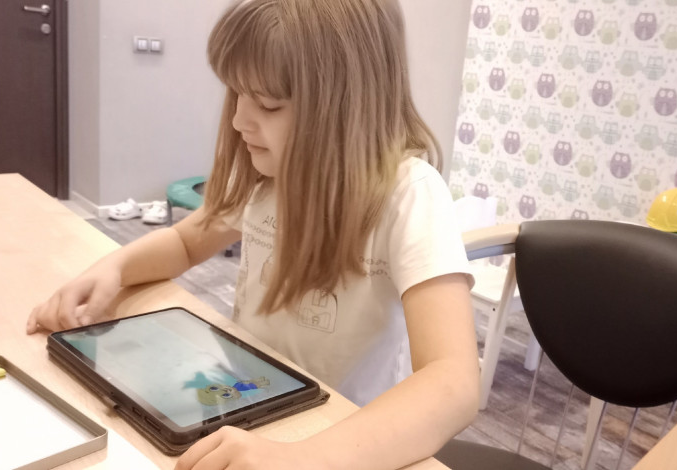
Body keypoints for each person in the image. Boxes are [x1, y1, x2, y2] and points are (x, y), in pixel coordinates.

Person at [27, 0, 480, 468]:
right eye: (237, 94)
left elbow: (453, 380)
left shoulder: (410, 195)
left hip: (345, 437)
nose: (240, 120)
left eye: (268, 104)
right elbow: (185, 242)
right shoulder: (267, 178)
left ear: (349, 106)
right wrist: (114, 268)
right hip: (254, 402)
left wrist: (306, 460)